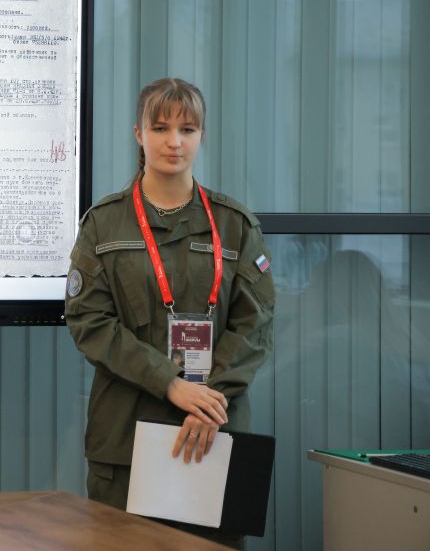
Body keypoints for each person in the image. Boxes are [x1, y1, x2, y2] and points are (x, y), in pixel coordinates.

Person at [65, 78, 275, 547]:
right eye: (160, 128)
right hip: (125, 441)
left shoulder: (235, 225)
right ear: (138, 134)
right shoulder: (104, 224)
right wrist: (171, 383)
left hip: (214, 433)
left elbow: (256, 322)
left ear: (202, 136)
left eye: (187, 129)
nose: (174, 141)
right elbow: (89, 322)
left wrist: (209, 399)